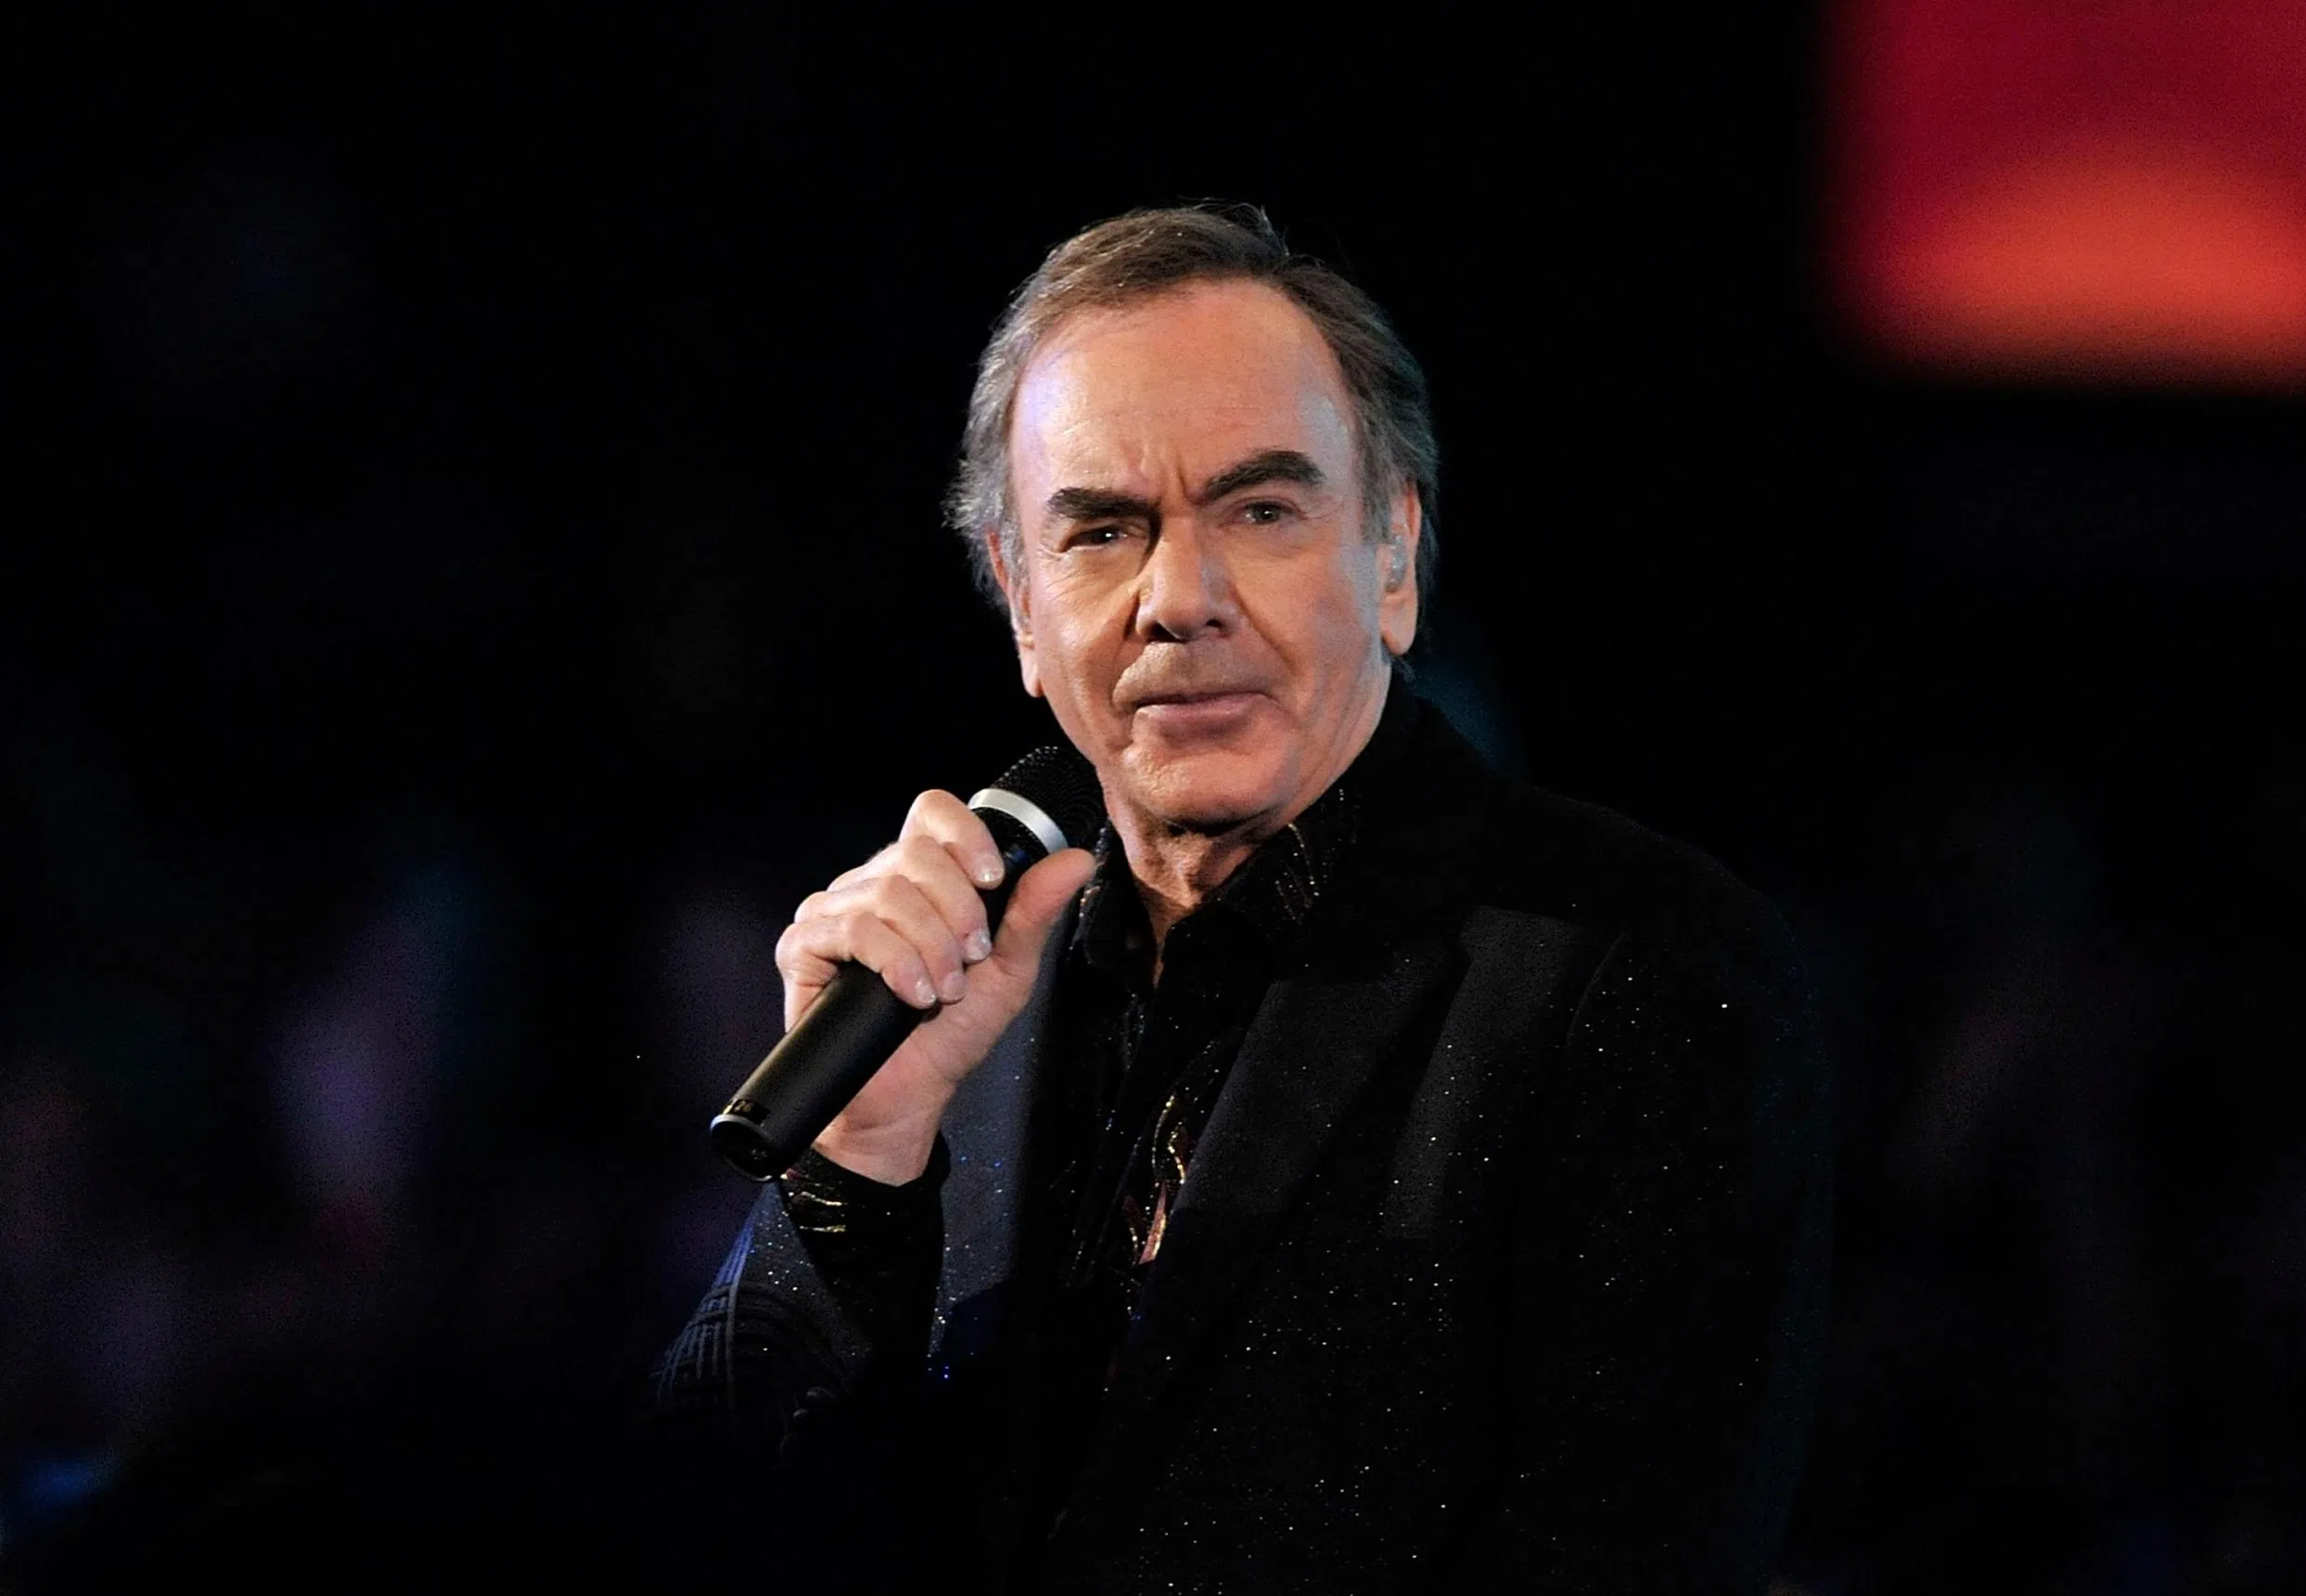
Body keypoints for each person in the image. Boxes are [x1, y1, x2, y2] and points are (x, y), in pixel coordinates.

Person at [654, 205, 1830, 1594]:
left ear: (1394, 556)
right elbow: (705, 1536)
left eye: (1262, 511)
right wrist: (855, 1165)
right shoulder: (951, 988)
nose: (1180, 597)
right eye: (1102, 531)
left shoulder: (1644, 970)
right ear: (1020, 600)